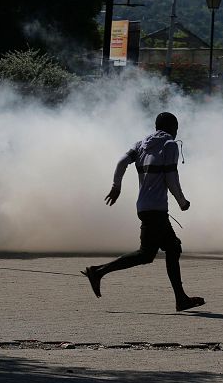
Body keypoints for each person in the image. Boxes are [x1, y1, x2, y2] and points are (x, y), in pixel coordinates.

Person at [82, 112, 205, 312]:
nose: (177, 132)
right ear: (172, 128)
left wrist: (116, 186)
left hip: (144, 207)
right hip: (156, 209)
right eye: (176, 127)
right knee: (164, 250)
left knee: (154, 253)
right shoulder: (170, 145)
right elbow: (171, 176)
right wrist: (182, 201)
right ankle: (98, 272)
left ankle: (99, 272)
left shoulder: (141, 144)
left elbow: (122, 161)